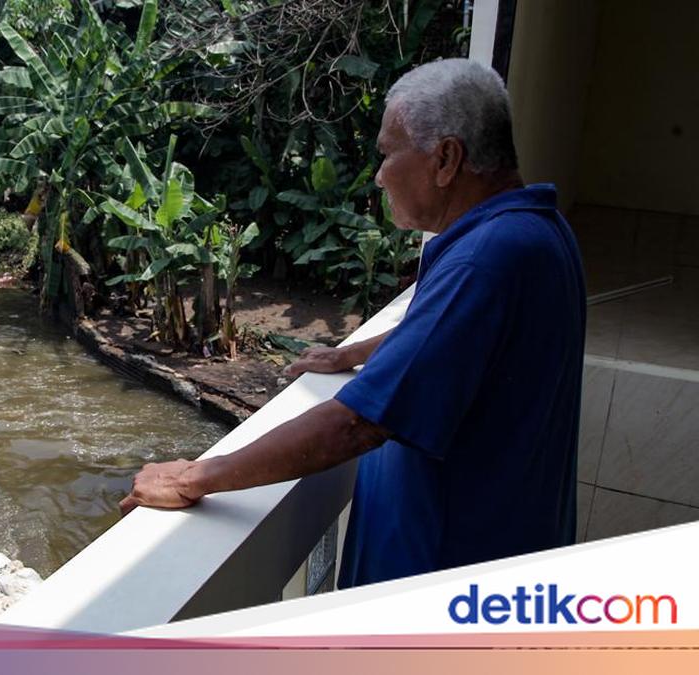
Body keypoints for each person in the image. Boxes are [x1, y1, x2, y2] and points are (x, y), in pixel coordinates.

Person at [118, 58, 586, 589]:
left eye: (388, 153)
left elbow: (356, 425)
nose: (380, 173)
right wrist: (350, 354)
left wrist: (195, 476)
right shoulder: (534, 231)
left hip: (448, 580)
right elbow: (448, 335)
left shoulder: (487, 258)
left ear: (446, 159)